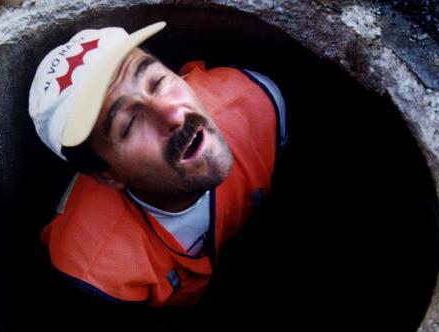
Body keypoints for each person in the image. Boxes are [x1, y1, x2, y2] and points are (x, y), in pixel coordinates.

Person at [29, 21, 287, 307]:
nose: (173, 114)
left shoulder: (255, 102)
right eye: (131, 123)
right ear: (106, 175)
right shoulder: (94, 267)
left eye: (158, 82)